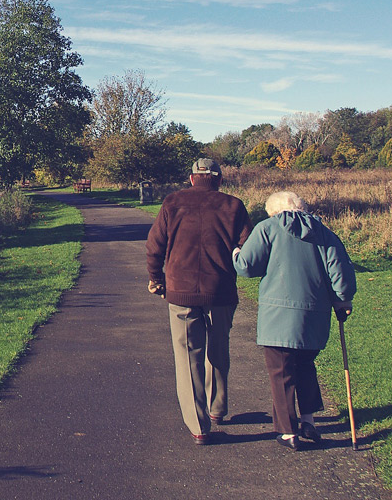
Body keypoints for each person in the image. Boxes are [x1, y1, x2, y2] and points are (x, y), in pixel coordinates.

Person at [232, 191, 355, 451]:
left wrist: (235, 253)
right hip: (315, 316)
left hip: (277, 317)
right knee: (306, 365)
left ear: (274, 211)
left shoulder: (267, 228)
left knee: (281, 371)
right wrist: (343, 300)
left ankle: (288, 432)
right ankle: (308, 420)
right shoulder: (325, 233)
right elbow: (340, 275)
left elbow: (246, 266)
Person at [145, 158, 252, 445]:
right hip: (221, 291)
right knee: (218, 349)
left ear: (192, 178)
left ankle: (199, 426)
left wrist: (156, 278)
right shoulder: (234, 206)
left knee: (187, 357)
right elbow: (247, 247)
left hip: (181, 291)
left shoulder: (172, 202)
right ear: (219, 179)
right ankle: (217, 409)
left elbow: (154, 245)